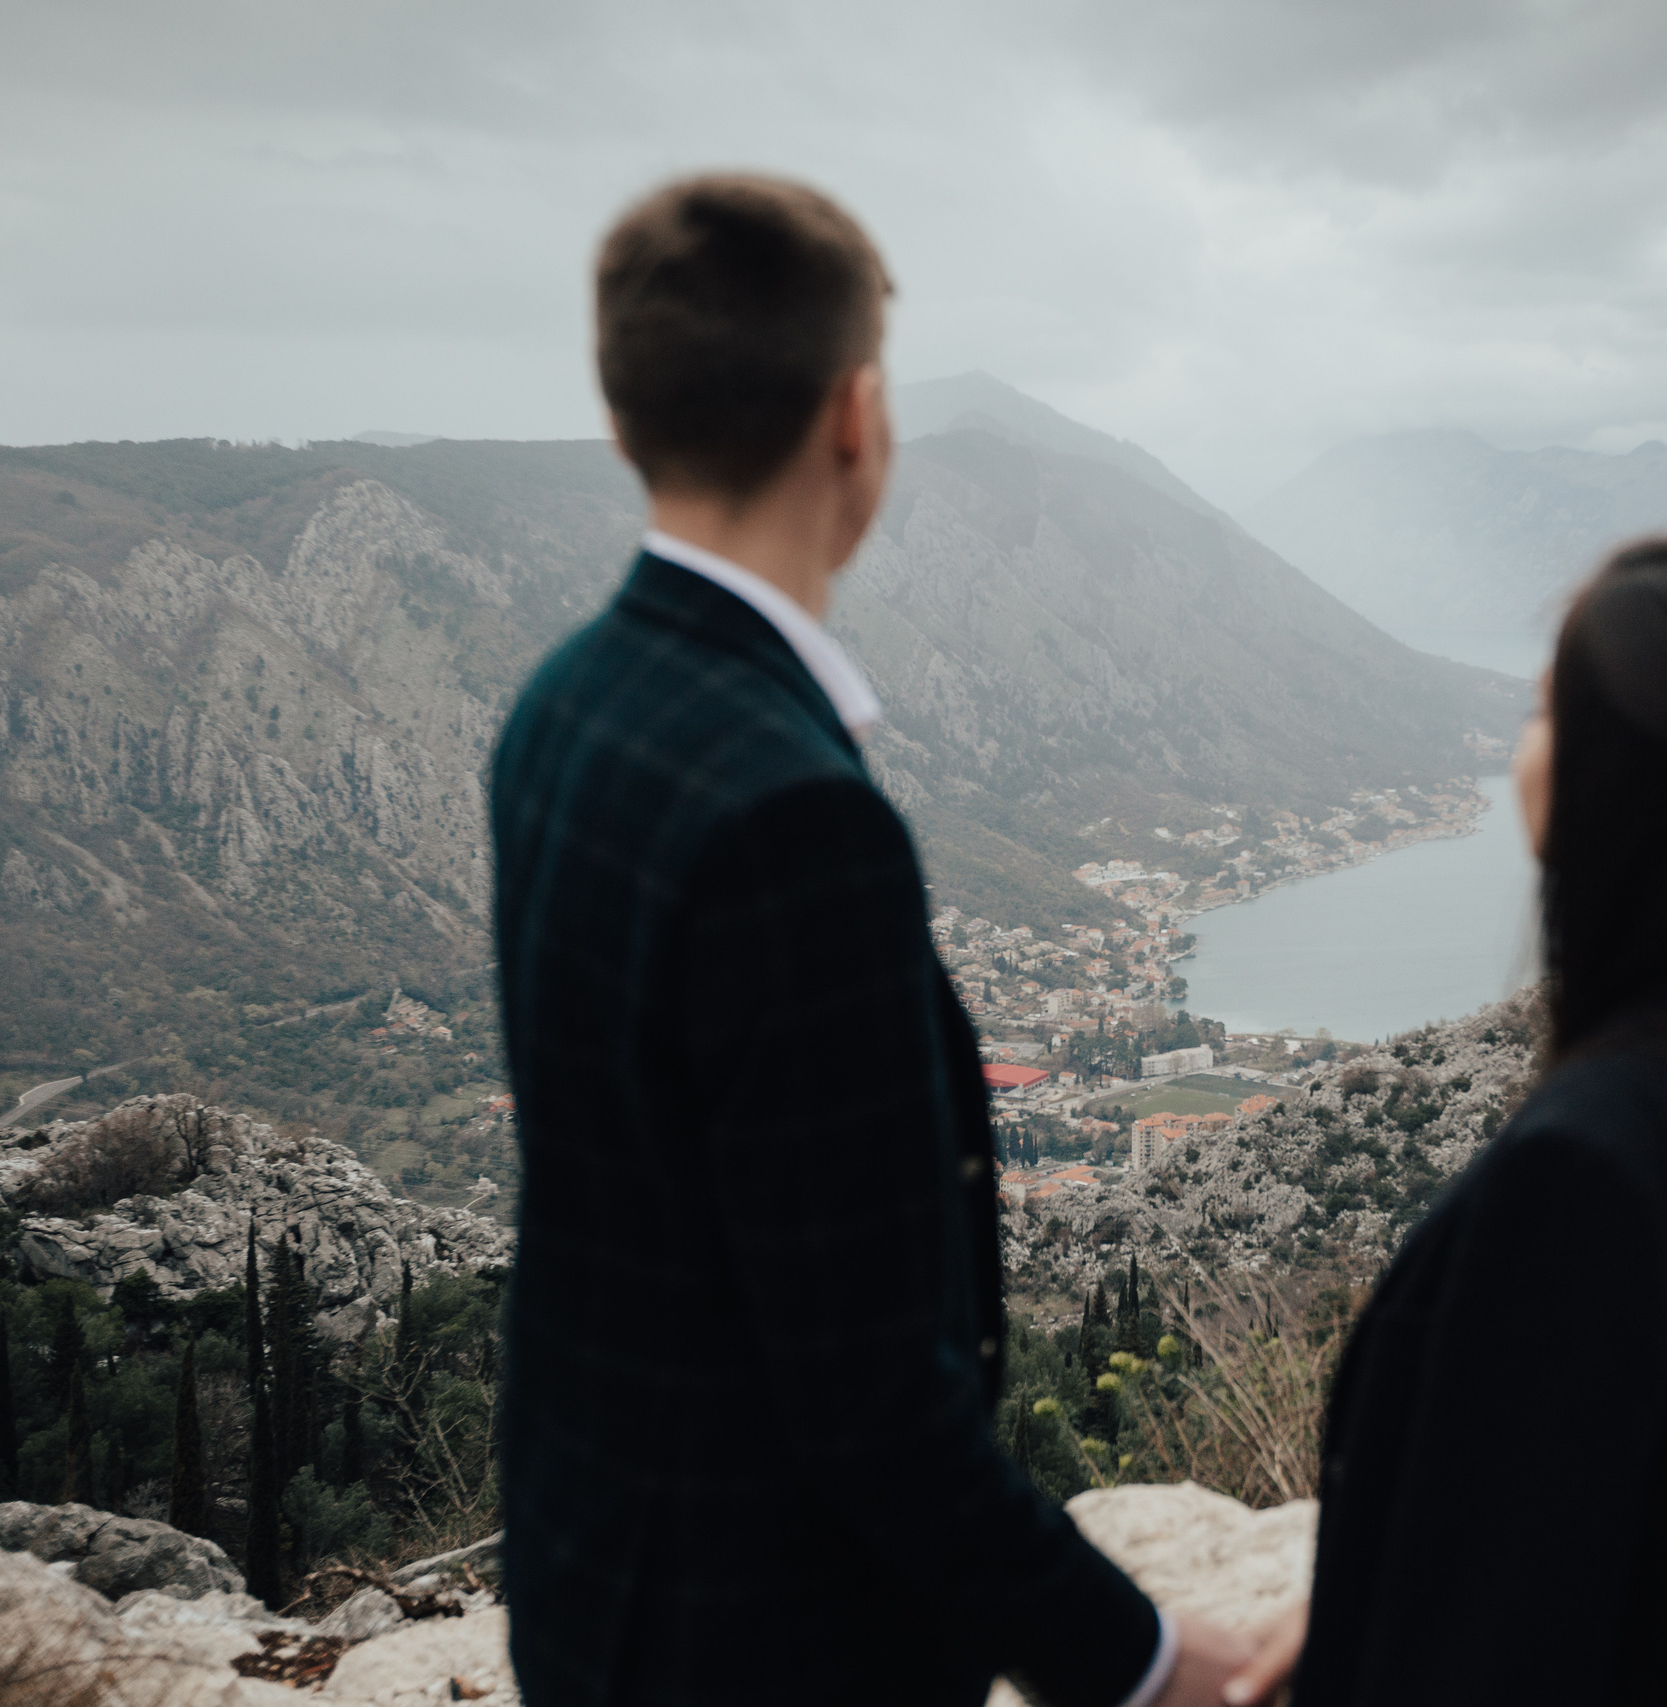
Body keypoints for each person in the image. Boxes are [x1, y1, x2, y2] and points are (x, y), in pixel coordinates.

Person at [490, 174, 1248, 1707]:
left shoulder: (560, 704)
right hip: (768, 1637)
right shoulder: (791, 817)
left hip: (597, 1580)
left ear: (629, 420)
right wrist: (1148, 1660)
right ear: (857, 417)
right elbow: (868, 1399)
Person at [1225, 535, 1667, 1707]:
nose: (1521, 754)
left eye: (1544, 715)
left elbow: (1498, 1644)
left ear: (1619, 779)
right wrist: (1392, 1577)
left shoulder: (1588, 1170)